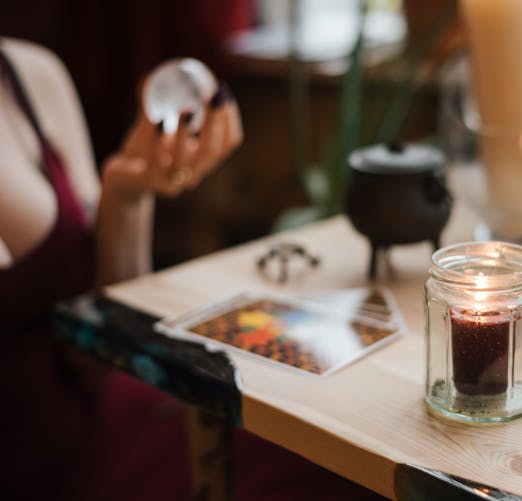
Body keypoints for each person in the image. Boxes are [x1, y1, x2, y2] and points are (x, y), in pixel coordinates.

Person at [0, 37, 384, 500]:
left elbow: (90, 356)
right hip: (44, 473)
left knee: (350, 459)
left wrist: (127, 191)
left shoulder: (32, 76)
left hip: (102, 422)